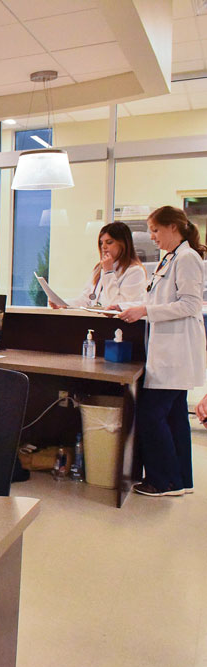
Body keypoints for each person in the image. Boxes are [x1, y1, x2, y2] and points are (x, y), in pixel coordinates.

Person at [113, 206, 206, 497]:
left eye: (155, 230)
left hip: (176, 352)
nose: (152, 236)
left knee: (151, 415)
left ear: (173, 227)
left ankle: (163, 481)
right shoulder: (171, 257)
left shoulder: (187, 258)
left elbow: (190, 304)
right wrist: (126, 306)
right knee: (174, 417)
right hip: (167, 351)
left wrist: (145, 311)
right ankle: (180, 480)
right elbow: (156, 299)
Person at [51, 221, 146, 308]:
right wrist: (63, 304)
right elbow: (86, 300)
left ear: (123, 244)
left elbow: (118, 305)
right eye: (101, 243)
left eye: (109, 242)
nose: (103, 247)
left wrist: (108, 273)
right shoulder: (99, 268)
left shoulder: (135, 271)